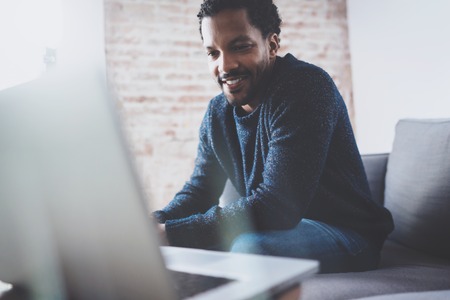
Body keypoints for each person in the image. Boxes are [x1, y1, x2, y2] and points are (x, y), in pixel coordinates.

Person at [152, 0, 393, 273]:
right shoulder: (217, 114)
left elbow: (277, 206)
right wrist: (154, 224)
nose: (225, 65)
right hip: (281, 231)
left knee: (249, 248)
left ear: (273, 45)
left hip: (348, 236)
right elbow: (198, 192)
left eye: (240, 47)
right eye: (213, 53)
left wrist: (172, 234)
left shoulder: (305, 87)